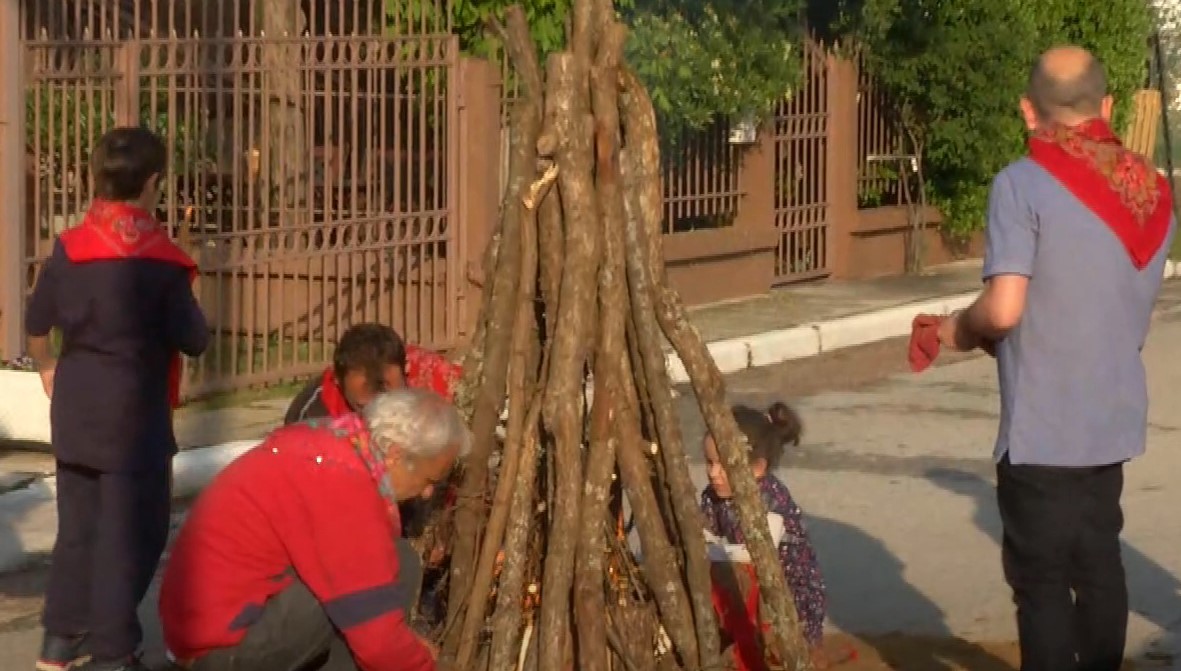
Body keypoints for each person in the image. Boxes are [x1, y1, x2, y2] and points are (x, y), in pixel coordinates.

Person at [937, 46, 1175, 671]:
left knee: (1041, 585)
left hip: (1042, 432)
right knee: (1100, 568)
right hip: (1110, 424)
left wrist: (957, 328)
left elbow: (1005, 308)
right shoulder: (1151, 193)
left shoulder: (1021, 184)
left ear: (1026, 109)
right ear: (1108, 106)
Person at [25, 127, 208, 671]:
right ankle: (112, 650)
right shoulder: (163, 263)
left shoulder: (69, 249)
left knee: (77, 529)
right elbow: (194, 338)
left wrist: (47, 367)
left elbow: (38, 325)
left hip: (76, 407)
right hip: (135, 420)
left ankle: (59, 641)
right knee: (133, 535)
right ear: (153, 184)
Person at [159, 388, 470, 671]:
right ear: (395, 455)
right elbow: (377, 644)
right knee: (371, 594)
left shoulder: (335, 443)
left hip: (205, 625)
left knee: (392, 562)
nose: (428, 493)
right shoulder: (343, 486)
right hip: (218, 649)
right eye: (430, 480)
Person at [699, 402, 830, 670]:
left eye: (723, 465)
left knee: (779, 653)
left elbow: (754, 553)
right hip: (747, 587)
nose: (713, 473)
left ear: (757, 468)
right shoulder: (714, 496)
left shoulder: (770, 497)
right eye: (709, 462)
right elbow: (703, 534)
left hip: (788, 595)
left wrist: (705, 551)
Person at [283, 324, 460, 426]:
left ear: (406, 369)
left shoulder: (438, 378)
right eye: (364, 408)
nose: (380, 417)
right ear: (337, 381)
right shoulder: (313, 416)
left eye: (391, 403)